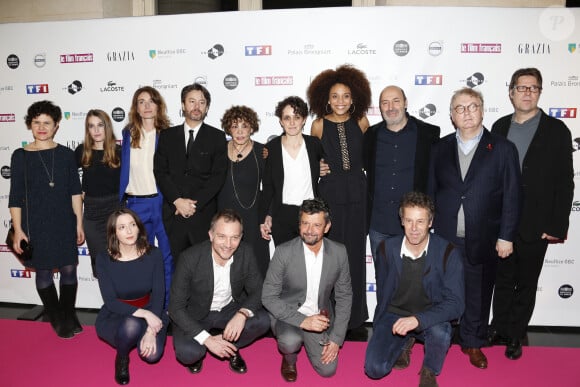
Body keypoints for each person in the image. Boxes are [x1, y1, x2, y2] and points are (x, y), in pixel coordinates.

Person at [428, 88, 521, 370]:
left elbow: (512, 196)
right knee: (442, 293)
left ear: (482, 110)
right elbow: (431, 191)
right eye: (459, 108)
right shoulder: (440, 148)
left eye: (472, 106)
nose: (466, 112)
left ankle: (473, 342)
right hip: (444, 237)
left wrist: (506, 236)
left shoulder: (503, 148)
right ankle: (438, 340)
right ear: (452, 115)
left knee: (479, 294)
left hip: (484, 236)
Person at [489, 68, 575, 360]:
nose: (526, 92)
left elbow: (565, 181)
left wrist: (556, 224)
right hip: (501, 222)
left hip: (536, 223)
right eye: (521, 87)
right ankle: (499, 327)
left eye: (532, 88)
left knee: (525, 282)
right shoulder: (499, 127)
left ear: (539, 92)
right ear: (511, 92)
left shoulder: (557, 130)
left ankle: (515, 334)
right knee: (501, 279)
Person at [364, 191, 464, 387]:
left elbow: (456, 304)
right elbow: (384, 293)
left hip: (430, 316)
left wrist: (417, 320)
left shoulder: (448, 252)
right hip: (395, 315)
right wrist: (381, 327)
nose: (414, 228)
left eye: (420, 221)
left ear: (430, 222)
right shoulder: (386, 248)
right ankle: (404, 342)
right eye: (409, 221)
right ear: (401, 221)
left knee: (440, 333)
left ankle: (429, 369)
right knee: (374, 369)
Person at [8, 100, 85, 339]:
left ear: (56, 126)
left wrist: (79, 223)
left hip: (64, 221)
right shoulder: (20, 156)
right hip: (35, 224)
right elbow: (15, 196)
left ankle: (68, 313)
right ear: (30, 125)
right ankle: (57, 318)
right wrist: (19, 230)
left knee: (69, 268)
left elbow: (75, 191)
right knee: (43, 273)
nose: (41, 127)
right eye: (36, 122)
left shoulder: (65, 155)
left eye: (47, 123)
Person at [307, 64, 371, 334]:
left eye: (346, 95)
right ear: (326, 98)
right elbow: (310, 160)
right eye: (335, 96)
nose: (340, 101)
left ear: (354, 97)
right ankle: (328, 316)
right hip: (330, 194)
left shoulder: (362, 122)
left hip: (358, 193)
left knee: (355, 256)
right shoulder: (318, 125)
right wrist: (318, 166)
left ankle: (355, 318)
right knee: (331, 257)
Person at [169, 209, 270, 375]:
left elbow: (258, 290)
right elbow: (175, 307)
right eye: (222, 236)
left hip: (229, 310)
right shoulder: (189, 258)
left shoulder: (246, 252)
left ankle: (229, 348)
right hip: (196, 313)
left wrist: (242, 314)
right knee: (189, 354)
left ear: (241, 237)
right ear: (211, 235)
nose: (228, 244)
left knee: (263, 321)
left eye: (234, 237)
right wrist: (206, 339)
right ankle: (207, 346)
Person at [262, 198, 353, 382]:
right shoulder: (283, 252)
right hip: (289, 315)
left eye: (316, 225)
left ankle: (311, 340)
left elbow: (344, 296)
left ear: (327, 227)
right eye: (305, 223)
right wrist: (303, 321)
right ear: (299, 224)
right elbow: (268, 297)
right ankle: (289, 359)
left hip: (320, 318)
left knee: (328, 370)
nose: (309, 230)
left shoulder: (339, 252)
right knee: (289, 341)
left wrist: (336, 339)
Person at [363, 85, 440, 259]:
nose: (391, 107)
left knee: (414, 282)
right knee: (383, 280)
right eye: (385, 103)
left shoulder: (428, 134)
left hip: (414, 227)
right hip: (379, 225)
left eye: (396, 101)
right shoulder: (370, 136)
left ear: (405, 103)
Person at [154, 83, 227, 261]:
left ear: (207, 107)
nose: (196, 107)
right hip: (174, 214)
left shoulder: (217, 137)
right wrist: (177, 201)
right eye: (191, 101)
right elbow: (160, 172)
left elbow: (217, 177)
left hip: (202, 215)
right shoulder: (167, 136)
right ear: (183, 105)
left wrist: (194, 205)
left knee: (203, 269)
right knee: (178, 269)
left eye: (202, 102)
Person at [95, 208, 168, 385]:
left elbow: (159, 293)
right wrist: (144, 314)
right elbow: (110, 301)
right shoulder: (104, 259)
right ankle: (122, 358)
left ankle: (140, 336)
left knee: (152, 355)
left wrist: (152, 330)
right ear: (114, 233)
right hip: (117, 313)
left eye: (132, 225)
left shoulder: (154, 254)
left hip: (152, 308)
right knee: (131, 325)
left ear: (138, 227)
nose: (129, 231)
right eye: (121, 227)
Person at [120, 86, 173, 308]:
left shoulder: (168, 134)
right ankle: (147, 304)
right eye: (141, 101)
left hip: (162, 202)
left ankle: (168, 306)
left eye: (151, 101)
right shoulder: (128, 133)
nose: (147, 106)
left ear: (158, 105)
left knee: (167, 256)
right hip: (135, 204)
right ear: (136, 107)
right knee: (142, 257)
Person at [259, 96, 323, 247]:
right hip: (282, 215)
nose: (292, 123)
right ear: (281, 121)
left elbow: (330, 168)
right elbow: (268, 187)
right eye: (287, 118)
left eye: (297, 117)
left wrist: (325, 169)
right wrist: (265, 216)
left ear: (304, 119)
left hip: (311, 213)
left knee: (312, 262)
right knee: (287, 265)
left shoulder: (314, 144)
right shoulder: (272, 148)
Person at [217, 105, 270, 278]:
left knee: (256, 264)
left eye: (244, 126)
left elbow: (271, 188)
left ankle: (258, 302)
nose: (239, 132)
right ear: (228, 128)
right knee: (226, 264)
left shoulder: (262, 152)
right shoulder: (219, 150)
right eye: (234, 126)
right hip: (223, 216)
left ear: (252, 128)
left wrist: (267, 216)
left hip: (253, 216)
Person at [75, 109, 121, 278]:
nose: (96, 130)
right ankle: (109, 303)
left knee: (119, 262)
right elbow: (69, 184)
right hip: (92, 214)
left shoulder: (119, 152)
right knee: (100, 264)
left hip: (116, 211)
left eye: (100, 125)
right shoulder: (81, 151)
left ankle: (121, 304)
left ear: (107, 127)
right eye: (91, 126)